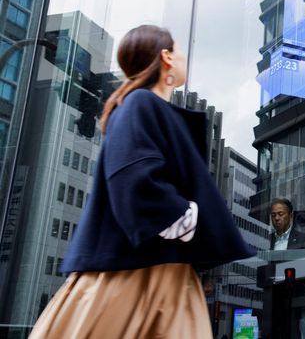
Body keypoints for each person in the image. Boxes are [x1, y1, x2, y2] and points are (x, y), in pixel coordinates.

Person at [29, 25, 255, 338]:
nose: (183, 57)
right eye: (178, 50)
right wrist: (189, 218)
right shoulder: (139, 103)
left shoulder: (140, 106)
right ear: (165, 57)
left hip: (156, 269)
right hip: (138, 274)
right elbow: (133, 180)